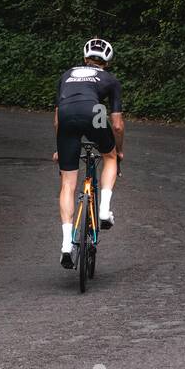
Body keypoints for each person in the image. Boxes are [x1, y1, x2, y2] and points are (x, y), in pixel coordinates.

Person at [53, 38, 124, 268]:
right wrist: (118, 151)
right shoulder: (109, 80)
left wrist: (59, 149)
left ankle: (66, 243)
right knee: (109, 157)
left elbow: (57, 120)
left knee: (67, 183)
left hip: (66, 116)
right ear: (107, 61)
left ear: (84, 58)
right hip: (95, 112)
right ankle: (103, 210)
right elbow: (118, 125)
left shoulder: (66, 75)